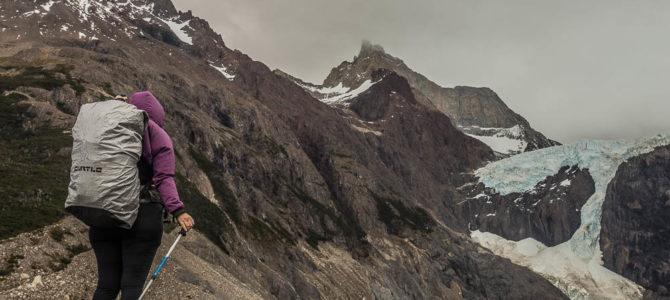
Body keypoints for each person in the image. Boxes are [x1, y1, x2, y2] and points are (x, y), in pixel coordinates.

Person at [89, 91, 195, 300]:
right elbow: (164, 178)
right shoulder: (157, 134)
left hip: (102, 215)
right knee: (131, 286)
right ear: (156, 114)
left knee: (106, 287)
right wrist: (178, 210)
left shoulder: (108, 127)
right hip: (142, 217)